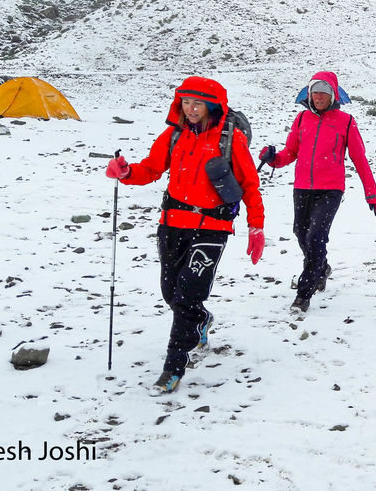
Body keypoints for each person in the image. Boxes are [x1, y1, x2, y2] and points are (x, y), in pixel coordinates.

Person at [105, 76, 265, 396]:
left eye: (197, 103)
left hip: (213, 226)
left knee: (188, 294)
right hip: (172, 222)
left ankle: (174, 366)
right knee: (171, 291)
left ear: (212, 106)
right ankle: (201, 321)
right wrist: (126, 173)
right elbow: (151, 169)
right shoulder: (174, 134)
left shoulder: (230, 139)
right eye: (186, 102)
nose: (190, 109)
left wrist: (256, 226)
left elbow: (249, 185)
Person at [259, 71, 376, 314]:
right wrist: (273, 159)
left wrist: (372, 193)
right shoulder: (302, 119)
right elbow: (290, 154)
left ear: (332, 94)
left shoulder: (346, 122)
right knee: (300, 233)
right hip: (302, 187)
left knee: (316, 237)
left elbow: (359, 159)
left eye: (324, 91)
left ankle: (304, 292)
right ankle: (321, 267)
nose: (318, 96)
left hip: (330, 189)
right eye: (315, 91)